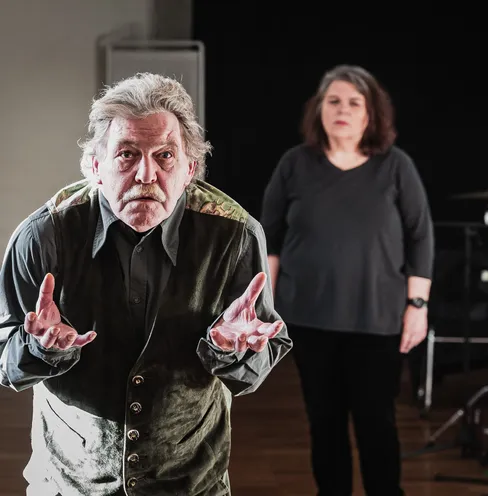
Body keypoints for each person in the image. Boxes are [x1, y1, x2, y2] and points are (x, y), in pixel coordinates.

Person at [0, 72, 292, 496]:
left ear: (190, 169)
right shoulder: (44, 235)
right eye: (127, 154)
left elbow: (259, 363)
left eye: (165, 156)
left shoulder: (236, 236)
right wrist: (40, 348)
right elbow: (5, 360)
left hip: (191, 482)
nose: (146, 174)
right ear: (95, 167)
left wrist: (231, 351)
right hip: (69, 483)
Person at [260, 64, 434, 496]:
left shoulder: (396, 166)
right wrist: (266, 308)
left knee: (377, 423)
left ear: (371, 113)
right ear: (318, 109)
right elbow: (269, 238)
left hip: (377, 321)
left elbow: (420, 236)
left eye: (354, 103)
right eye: (333, 101)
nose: (343, 110)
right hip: (310, 318)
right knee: (324, 423)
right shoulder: (294, 164)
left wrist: (417, 306)